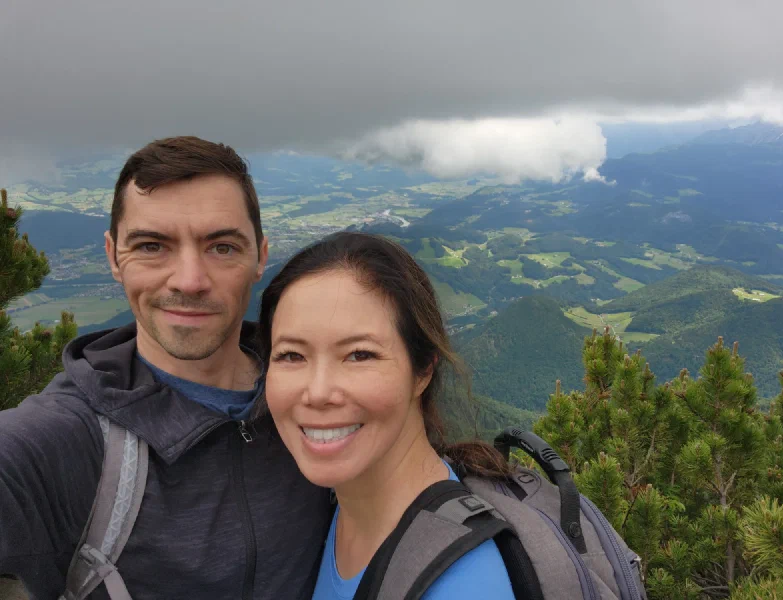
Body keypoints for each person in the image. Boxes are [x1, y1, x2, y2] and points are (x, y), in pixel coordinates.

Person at [0, 137, 331, 599]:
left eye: (222, 247)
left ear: (260, 255)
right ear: (114, 256)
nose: (190, 281)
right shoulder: (60, 443)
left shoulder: (319, 401)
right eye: (153, 246)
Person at [257, 231, 516, 599]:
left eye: (359, 355)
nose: (317, 393)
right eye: (291, 355)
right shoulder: (342, 505)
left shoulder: (460, 585)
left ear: (423, 369)